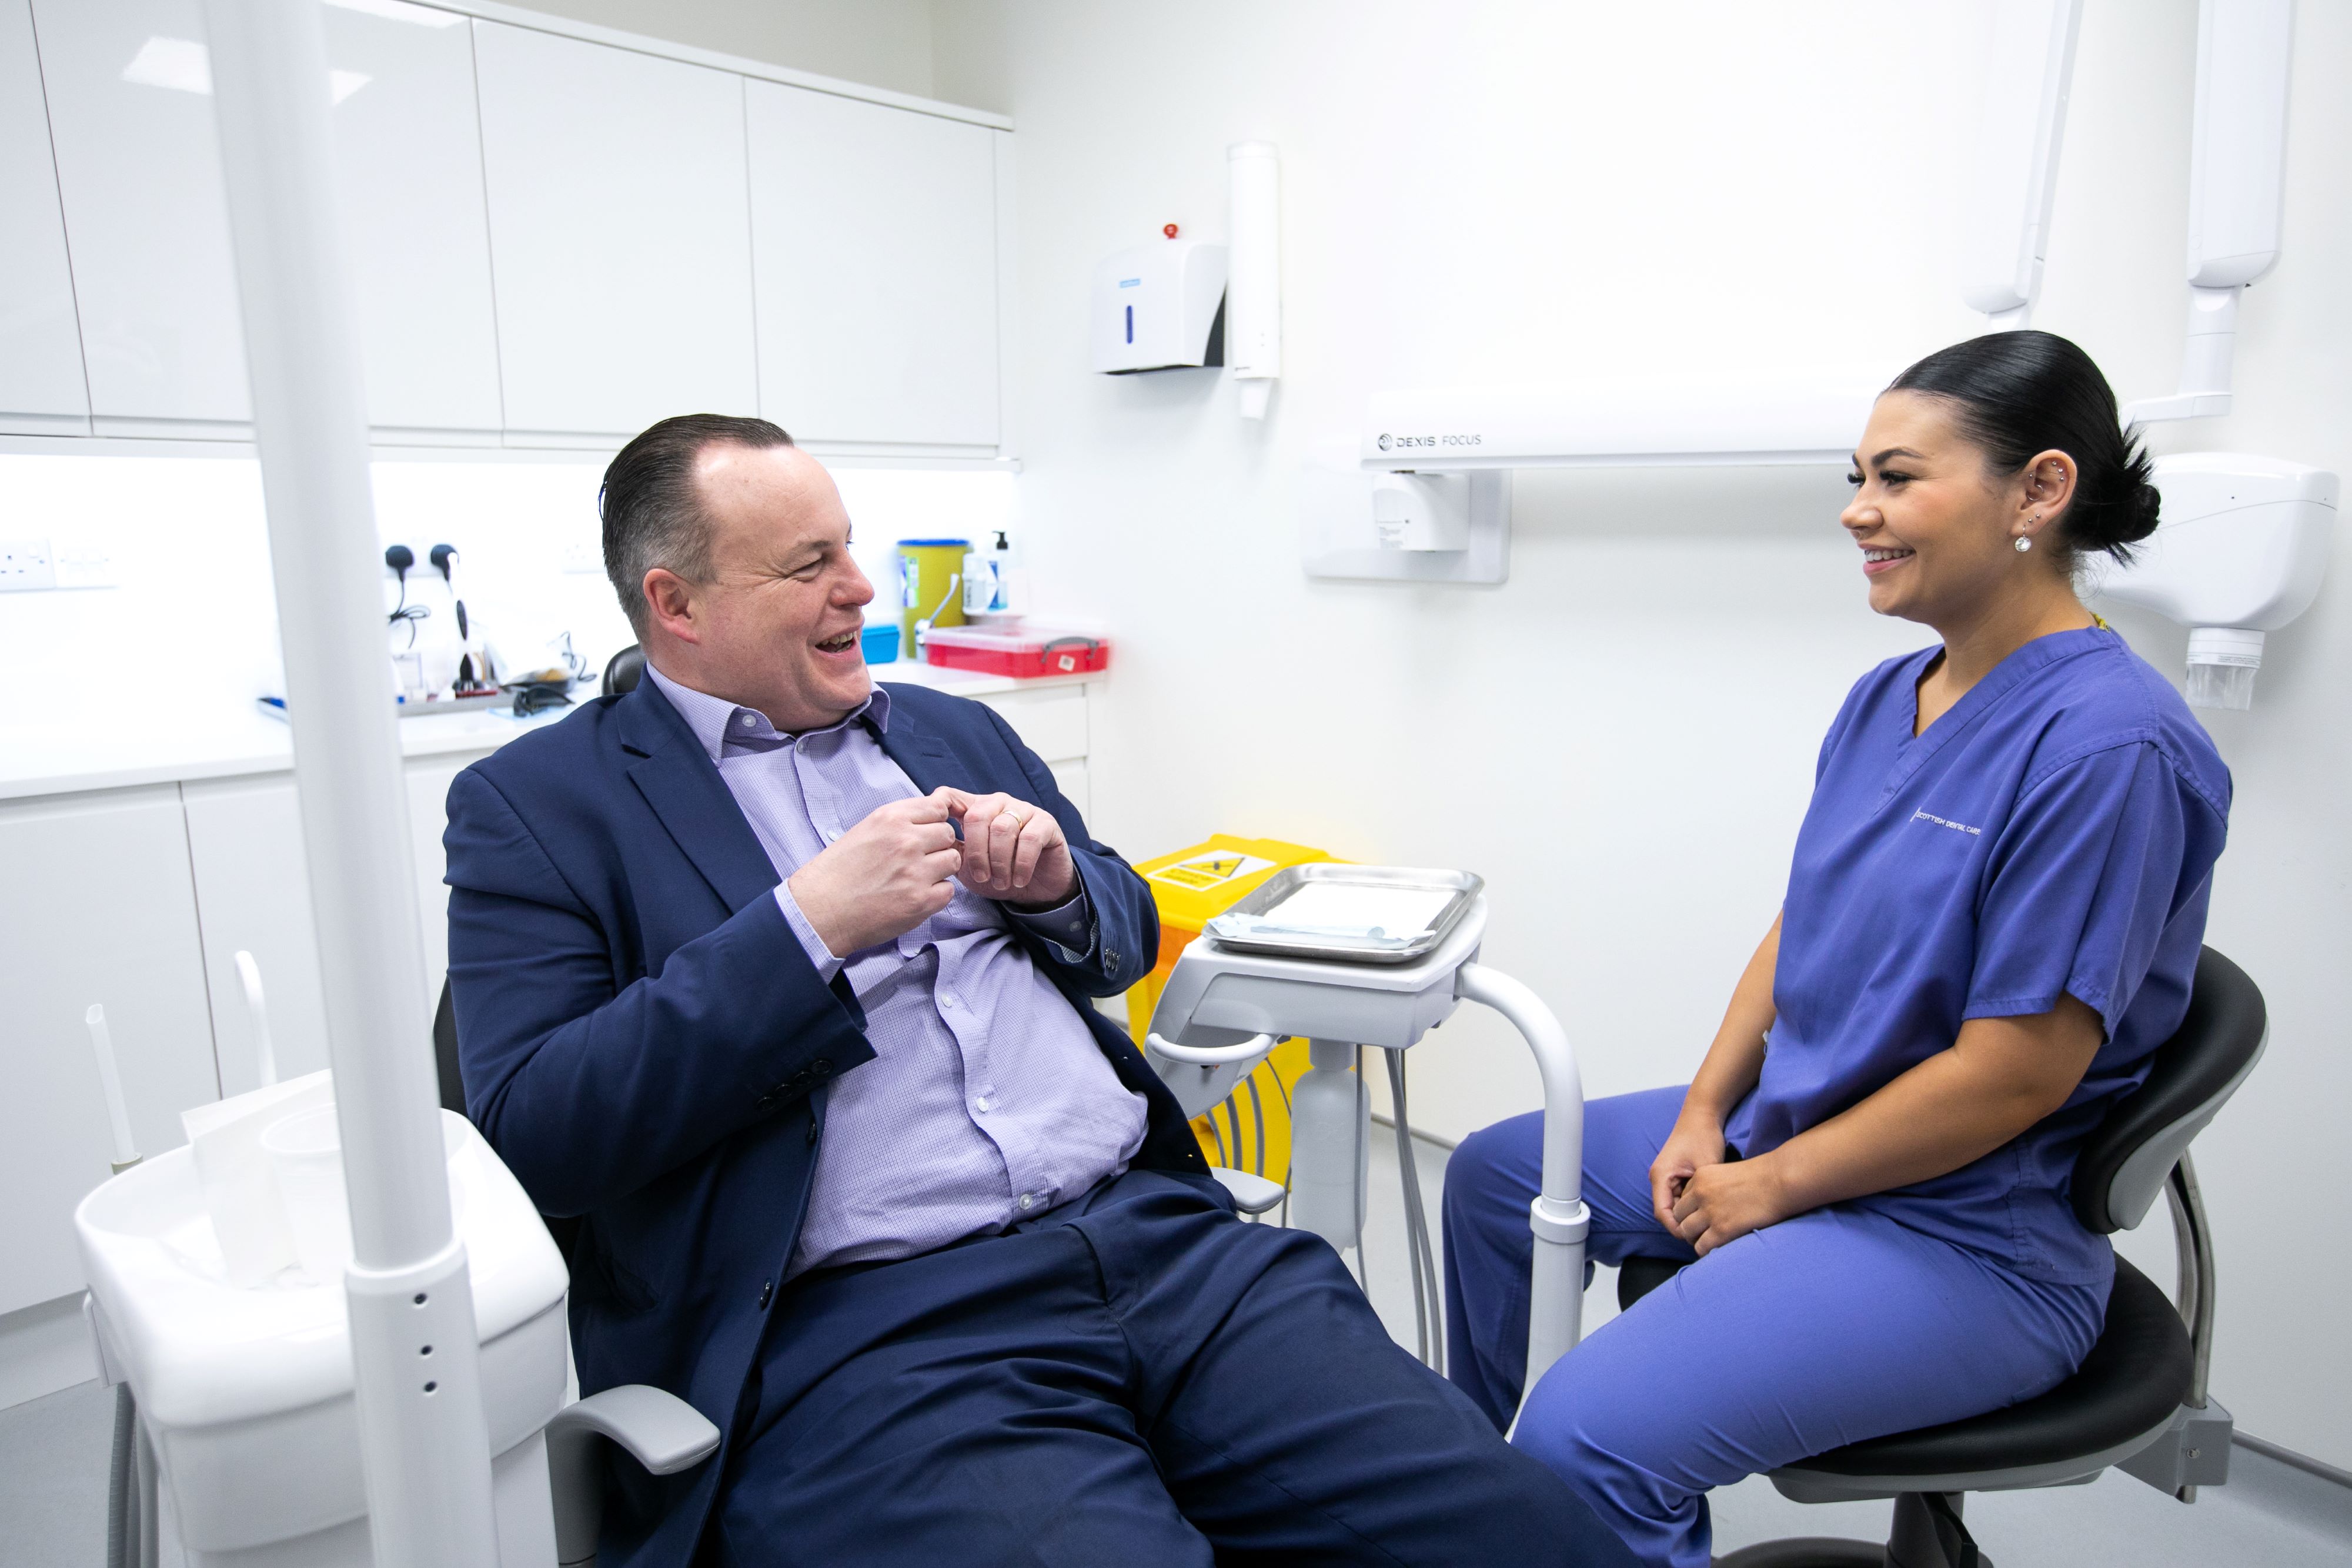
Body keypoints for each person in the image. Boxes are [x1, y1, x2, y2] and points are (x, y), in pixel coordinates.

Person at [444, 414, 1636, 1568]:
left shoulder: (952, 728)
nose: (861, 585)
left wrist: (1060, 884)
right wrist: (805, 928)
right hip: (881, 1329)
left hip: (1168, 1250)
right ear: (676, 602)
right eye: (810, 563)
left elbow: (1117, 932)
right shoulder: (540, 807)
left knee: (1535, 1535)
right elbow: (539, 1129)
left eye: (850, 543)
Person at [1442, 332, 2232, 1566]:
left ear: (2038, 488)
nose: (1857, 511)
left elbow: (2015, 1072)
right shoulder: (1887, 697)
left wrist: (1768, 1185)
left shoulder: (2106, 749)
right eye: (1855, 476)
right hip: (1796, 1129)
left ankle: (1566, 1503)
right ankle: (1480, 1518)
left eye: (1898, 477)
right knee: (1495, 1176)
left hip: (1962, 1230)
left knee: (1585, 1436)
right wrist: (1707, 1108)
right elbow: (1797, 920)